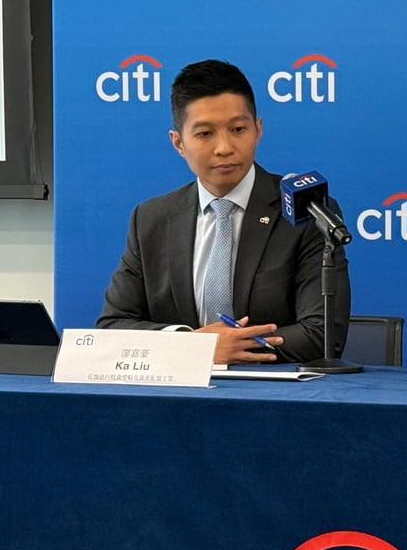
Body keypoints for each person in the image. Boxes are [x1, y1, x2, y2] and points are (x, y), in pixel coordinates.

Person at [97, 59, 350, 365]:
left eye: (238, 129)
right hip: (175, 390)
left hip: (272, 389)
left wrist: (224, 349)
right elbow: (112, 327)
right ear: (178, 143)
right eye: (205, 134)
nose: (225, 147)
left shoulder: (305, 211)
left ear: (258, 130)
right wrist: (192, 346)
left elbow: (321, 335)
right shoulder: (151, 219)